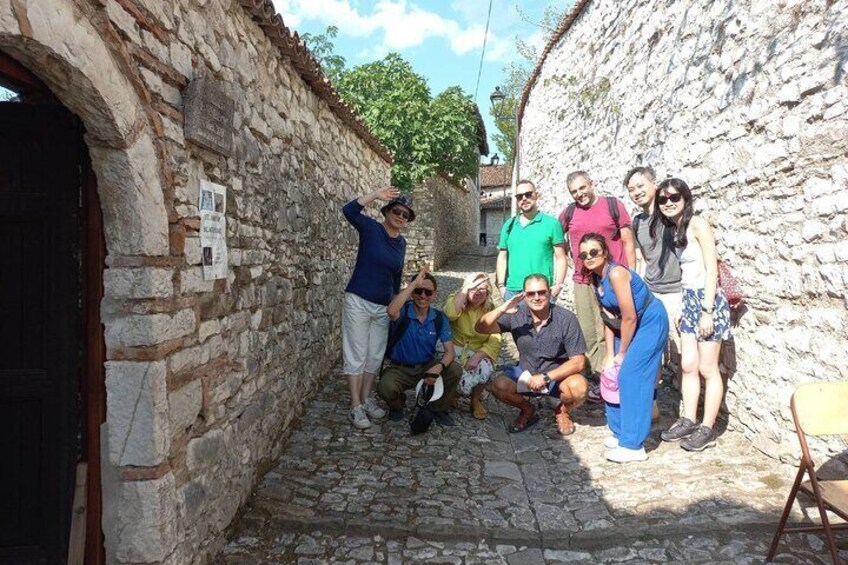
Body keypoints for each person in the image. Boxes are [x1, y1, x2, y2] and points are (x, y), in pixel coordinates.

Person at [653, 178, 732, 452]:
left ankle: (707, 427)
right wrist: (685, 308)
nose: (668, 203)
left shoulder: (698, 224)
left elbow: (711, 269)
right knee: (687, 365)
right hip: (689, 301)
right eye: (663, 200)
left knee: (708, 368)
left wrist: (707, 311)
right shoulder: (675, 229)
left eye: (674, 197)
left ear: (686, 198)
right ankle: (688, 419)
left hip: (707, 300)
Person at [580, 233, 669, 463]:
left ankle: (633, 445)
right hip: (626, 325)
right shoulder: (595, 279)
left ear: (605, 253)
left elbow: (629, 317)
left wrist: (622, 353)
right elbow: (609, 318)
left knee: (631, 375)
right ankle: (620, 432)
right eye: (583, 255)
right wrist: (610, 354)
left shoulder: (616, 274)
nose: (588, 257)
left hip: (648, 321)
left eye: (593, 252)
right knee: (611, 374)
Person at [559, 171, 636, 403]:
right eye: (574, 191)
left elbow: (628, 242)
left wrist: (631, 275)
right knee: (587, 331)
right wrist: (566, 257)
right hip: (583, 280)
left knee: (612, 327)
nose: (579, 194)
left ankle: (613, 376)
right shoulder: (569, 213)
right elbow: (556, 238)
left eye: (583, 188)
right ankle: (596, 379)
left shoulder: (613, 206)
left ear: (592, 184)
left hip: (612, 278)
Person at [475, 274, 588, 434]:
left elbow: (578, 362)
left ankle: (562, 411)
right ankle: (527, 409)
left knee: (579, 388)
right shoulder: (516, 314)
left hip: (556, 378)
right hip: (526, 375)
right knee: (499, 386)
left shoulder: (566, 319)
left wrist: (546, 377)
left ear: (549, 292)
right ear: (523, 295)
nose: (537, 297)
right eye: (531, 293)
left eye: (541, 292)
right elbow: (481, 328)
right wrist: (502, 309)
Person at [342, 187, 411, 429]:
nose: (400, 216)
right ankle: (355, 406)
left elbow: (396, 276)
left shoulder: (401, 244)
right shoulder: (371, 229)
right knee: (357, 354)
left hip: (382, 306)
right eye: (397, 211)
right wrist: (375, 195)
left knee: (374, 356)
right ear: (387, 211)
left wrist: (395, 303)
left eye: (405, 214)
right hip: (359, 301)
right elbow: (349, 211)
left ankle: (367, 398)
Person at [376, 267, 462, 427]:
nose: (423, 296)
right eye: (418, 291)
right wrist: (412, 285)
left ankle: (438, 408)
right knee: (384, 387)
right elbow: (391, 310)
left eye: (428, 292)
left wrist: (439, 367)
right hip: (400, 368)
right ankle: (397, 404)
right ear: (412, 292)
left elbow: (450, 352)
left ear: (434, 295)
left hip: (426, 366)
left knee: (455, 369)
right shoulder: (402, 312)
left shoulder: (439, 318)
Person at [624, 166, 683, 386]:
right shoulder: (637, 222)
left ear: (654, 184)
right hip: (653, 293)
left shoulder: (670, 214)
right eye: (631, 189)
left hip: (677, 291)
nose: (636, 192)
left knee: (683, 352)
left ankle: (686, 405)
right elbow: (642, 260)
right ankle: (653, 401)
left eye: (640, 186)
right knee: (652, 349)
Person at [444, 272, 503, 420]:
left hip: (478, 349)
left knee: (485, 366)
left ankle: (475, 399)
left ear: (488, 292)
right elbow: (450, 315)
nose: (477, 292)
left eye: (482, 289)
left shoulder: (492, 309)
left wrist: (480, 354)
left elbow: (496, 337)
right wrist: (464, 292)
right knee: (450, 368)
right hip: (455, 346)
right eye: (473, 288)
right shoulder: (456, 299)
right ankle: (453, 395)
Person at [496, 180, 567, 300]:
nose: (524, 198)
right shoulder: (509, 225)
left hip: (541, 290)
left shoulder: (552, 224)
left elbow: (561, 257)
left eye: (528, 194)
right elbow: (502, 256)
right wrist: (502, 287)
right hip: (513, 291)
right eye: (519, 196)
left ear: (536, 195)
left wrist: (558, 286)